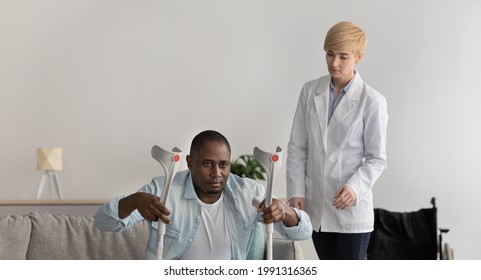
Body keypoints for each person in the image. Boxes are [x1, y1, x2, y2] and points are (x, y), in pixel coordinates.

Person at [94, 130, 312, 260]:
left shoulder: (249, 192)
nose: (217, 174)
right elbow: (103, 222)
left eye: (223, 165)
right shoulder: (165, 190)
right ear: (190, 163)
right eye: (207, 164)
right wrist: (135, 200)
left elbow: (304, 232)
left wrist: (284, 211)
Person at [286, 21, 388, 260]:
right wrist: (296, 192)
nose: (334, 63)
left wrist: (354, 188)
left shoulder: (372, 101)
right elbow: (298, 147)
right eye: (330, 54)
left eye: (343, 56)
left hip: (352, 212)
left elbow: (376, 158)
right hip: (316, 208)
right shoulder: (310, 91)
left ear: (358, 57)